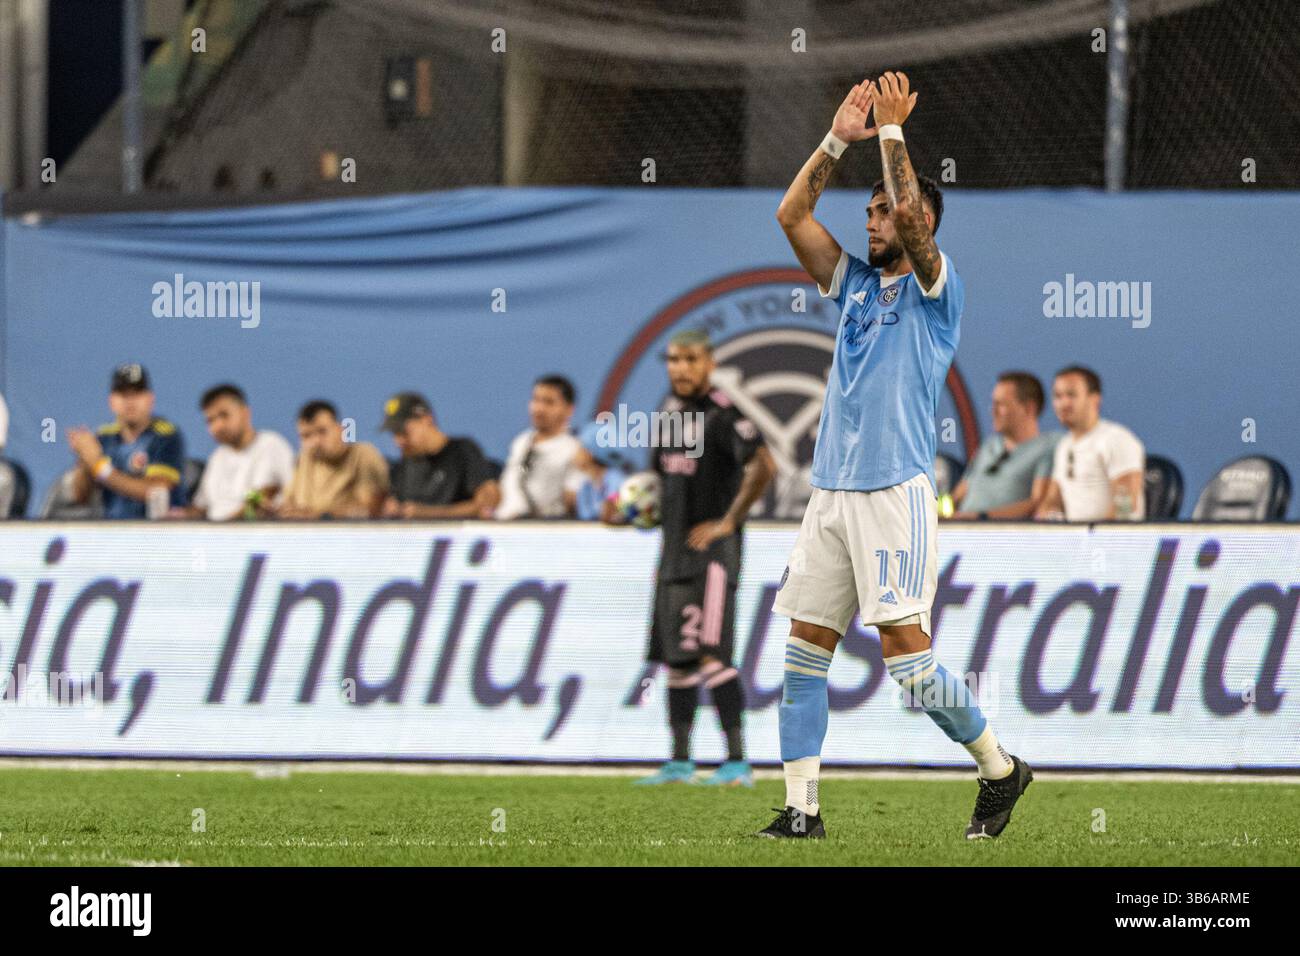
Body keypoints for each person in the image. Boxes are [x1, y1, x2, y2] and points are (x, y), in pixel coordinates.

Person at [764, 73, 1031, 840]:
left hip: (895, 491)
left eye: (884, 210)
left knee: (908, 665)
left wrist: (890, 133)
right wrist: (837, 138)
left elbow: (915, 218)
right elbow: (791, 213)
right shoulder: (851, 282)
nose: (875, 219)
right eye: (871, 211)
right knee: (803, 650)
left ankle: (1000, 769)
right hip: (832, 493)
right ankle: (800, 812)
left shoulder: (935, 289)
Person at [618, 329, 776, 788]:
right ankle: (681, 761)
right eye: (672, 360)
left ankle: (737, 761)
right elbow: (658, 481)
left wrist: (728, 521)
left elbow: (764, 464)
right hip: (671, 557)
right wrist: (630, 511)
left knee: (711, 655)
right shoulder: (668, 412)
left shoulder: (726, 414)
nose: (680, 369)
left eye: (689, 359)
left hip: (711, 559)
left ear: (709, 361)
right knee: (677, 660)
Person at [66, 363, 186, 519]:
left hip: (157, 534)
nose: (130, 401)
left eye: (137, 393)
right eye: (123, 394)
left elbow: (155, 491)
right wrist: (84, 460)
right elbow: (80, 497)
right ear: (111, 401)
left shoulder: (166, 435)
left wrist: (99, 468)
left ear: (150, 399)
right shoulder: (103, 436)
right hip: (112, 532)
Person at [1035, 366, 1145, 521]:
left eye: (1071, 395)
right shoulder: (1064, 446)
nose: (1063, 403)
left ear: (1095, 399)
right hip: (1076, 542)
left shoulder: (1116, 439)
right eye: (1058, 396)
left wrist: (1096, 539)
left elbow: (1125, 506)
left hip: (1112, 542)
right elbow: (1053, 499)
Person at [950, 372, 1060, 519]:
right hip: (959, 531)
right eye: (993, 403)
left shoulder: (1049, 446)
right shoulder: (988, 446)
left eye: (1001, 404)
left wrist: (981, 517)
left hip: (1003, 536)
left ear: (1029, 408)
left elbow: (1037, 503)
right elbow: (958, 494)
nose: (993, 411)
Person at [381, 392, 500, 518]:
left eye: (404, 432)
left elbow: (488, 504)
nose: (398, 441)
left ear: (426, 420)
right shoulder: (403, 468)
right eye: (394, 433)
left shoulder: (462, 451)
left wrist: (427, 513)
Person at [188, 384, 295, 521]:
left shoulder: (272, 445)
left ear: (245, 413)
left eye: (224, 415)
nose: (218, 426)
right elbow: (201, 507)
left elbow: (294, 497)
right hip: (216, 538)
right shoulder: (217, 457)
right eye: (210, 420)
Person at [279, 400, 389, 519]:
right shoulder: (303, 460)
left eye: (322, 431)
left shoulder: (363, 454)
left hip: (349, 535)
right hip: (305, 536)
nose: (316, 442)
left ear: (340, 429)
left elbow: (371, 509)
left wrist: (320, 516)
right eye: (306, 436)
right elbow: (288, 504)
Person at [495, 375, 582, 519]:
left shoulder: (575, 450)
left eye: (549, 402)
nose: (539, 409)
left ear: (568, 409)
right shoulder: (521, 441)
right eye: (536, 400)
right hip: (502, 526)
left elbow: (572, 501)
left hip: (541, 529)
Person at [571, 420, 632, 521]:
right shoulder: (586, 486)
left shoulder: (617, 482)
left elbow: (612, 513)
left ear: (590, 453)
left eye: (580, 447)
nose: (575, 452)